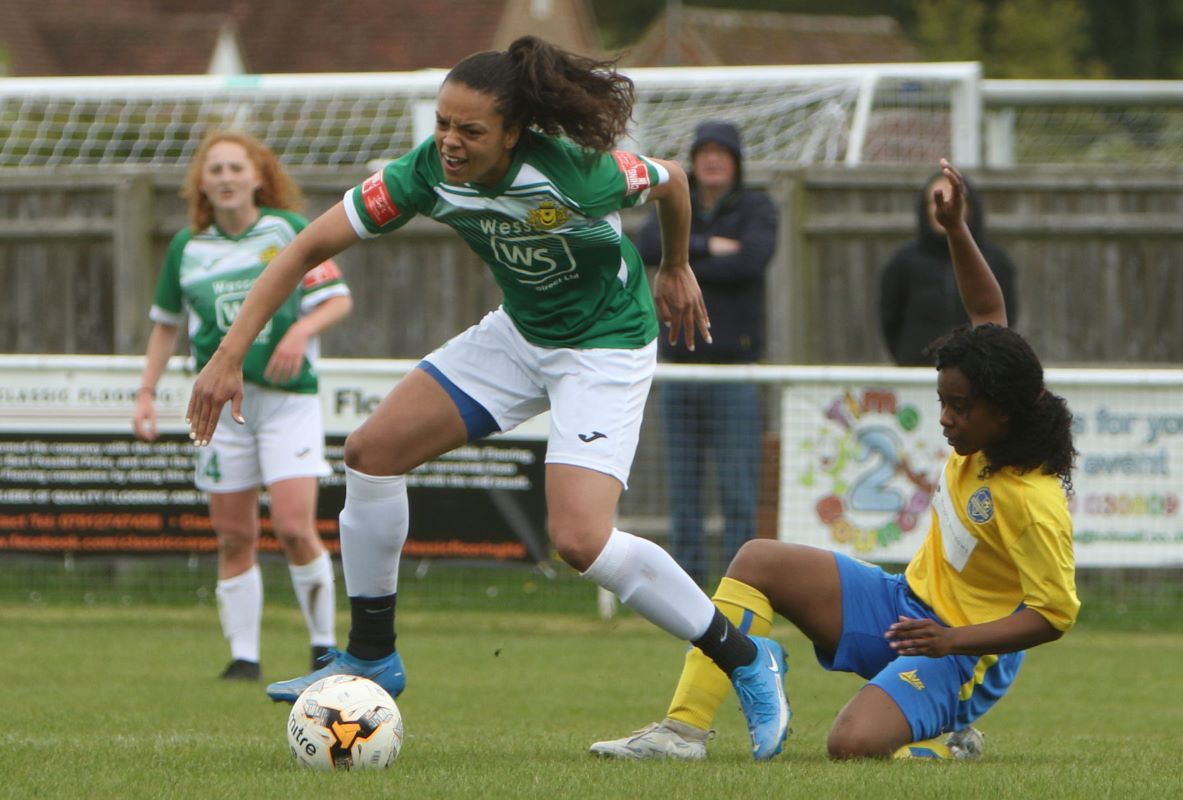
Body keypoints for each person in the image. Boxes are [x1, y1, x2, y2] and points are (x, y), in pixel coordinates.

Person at [184, 36, 792, 760]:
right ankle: (373, 654)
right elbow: (302, 249)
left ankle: (746, 657)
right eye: (442, 123)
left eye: (469, 130)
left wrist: (677, 266)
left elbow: (673, 182)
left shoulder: (580, 174)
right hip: (520, 335)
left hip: (604, 343)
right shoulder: (422, 174)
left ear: (513, 133)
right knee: (373, 453)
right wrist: (227, 356)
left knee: (578, 541)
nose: (448, 141)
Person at [591, 158, 1078, 761]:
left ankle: (950, 744)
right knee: (759, 560)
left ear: (1003, 411)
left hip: (958, 657)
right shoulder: (990, 415)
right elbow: (987, 312)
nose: (946, 419)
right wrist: (955, 231)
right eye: (942, 403)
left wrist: (953, 640)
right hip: (902, 606)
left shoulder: (1033, 498)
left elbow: (1054, 613)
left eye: (960, 408)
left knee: (851, 746)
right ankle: (682, 732)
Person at [134, 131, 353, 681]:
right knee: (234, 535)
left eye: (237, 168)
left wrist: (300, 330)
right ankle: (244, 658)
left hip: (286, 403)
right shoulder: (187, 247)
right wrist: (145, 392)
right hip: (218, 409)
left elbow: (337, 300)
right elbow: (165, 327)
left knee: (294, 526)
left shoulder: (288, 231)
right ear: (202, 183)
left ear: (258, 176)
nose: (227, 178)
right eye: (216, 170)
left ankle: (323, 647)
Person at [635, 120, 778, 588]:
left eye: (723, 152)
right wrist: (707, 246)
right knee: (684, 488)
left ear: (737, 162)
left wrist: (684, 262)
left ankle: (741, 588)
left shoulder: (757, 207)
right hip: (679, 369)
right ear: (693, 161)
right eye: (704, 152)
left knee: (739, 488)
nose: (713, 160)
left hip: (733, 371)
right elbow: (650, 245)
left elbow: (751, 261)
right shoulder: (679, 204)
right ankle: (687, 589)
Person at [879, 169, 1019, 366]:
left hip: (977, 373)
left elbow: (1005, 320)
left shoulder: (995, 260)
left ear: (969, 206)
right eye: (936, 200)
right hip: (917, 370)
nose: (944, 206)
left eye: (952, 198)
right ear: (924, 208)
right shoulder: (902, 262)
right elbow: (890, 322)